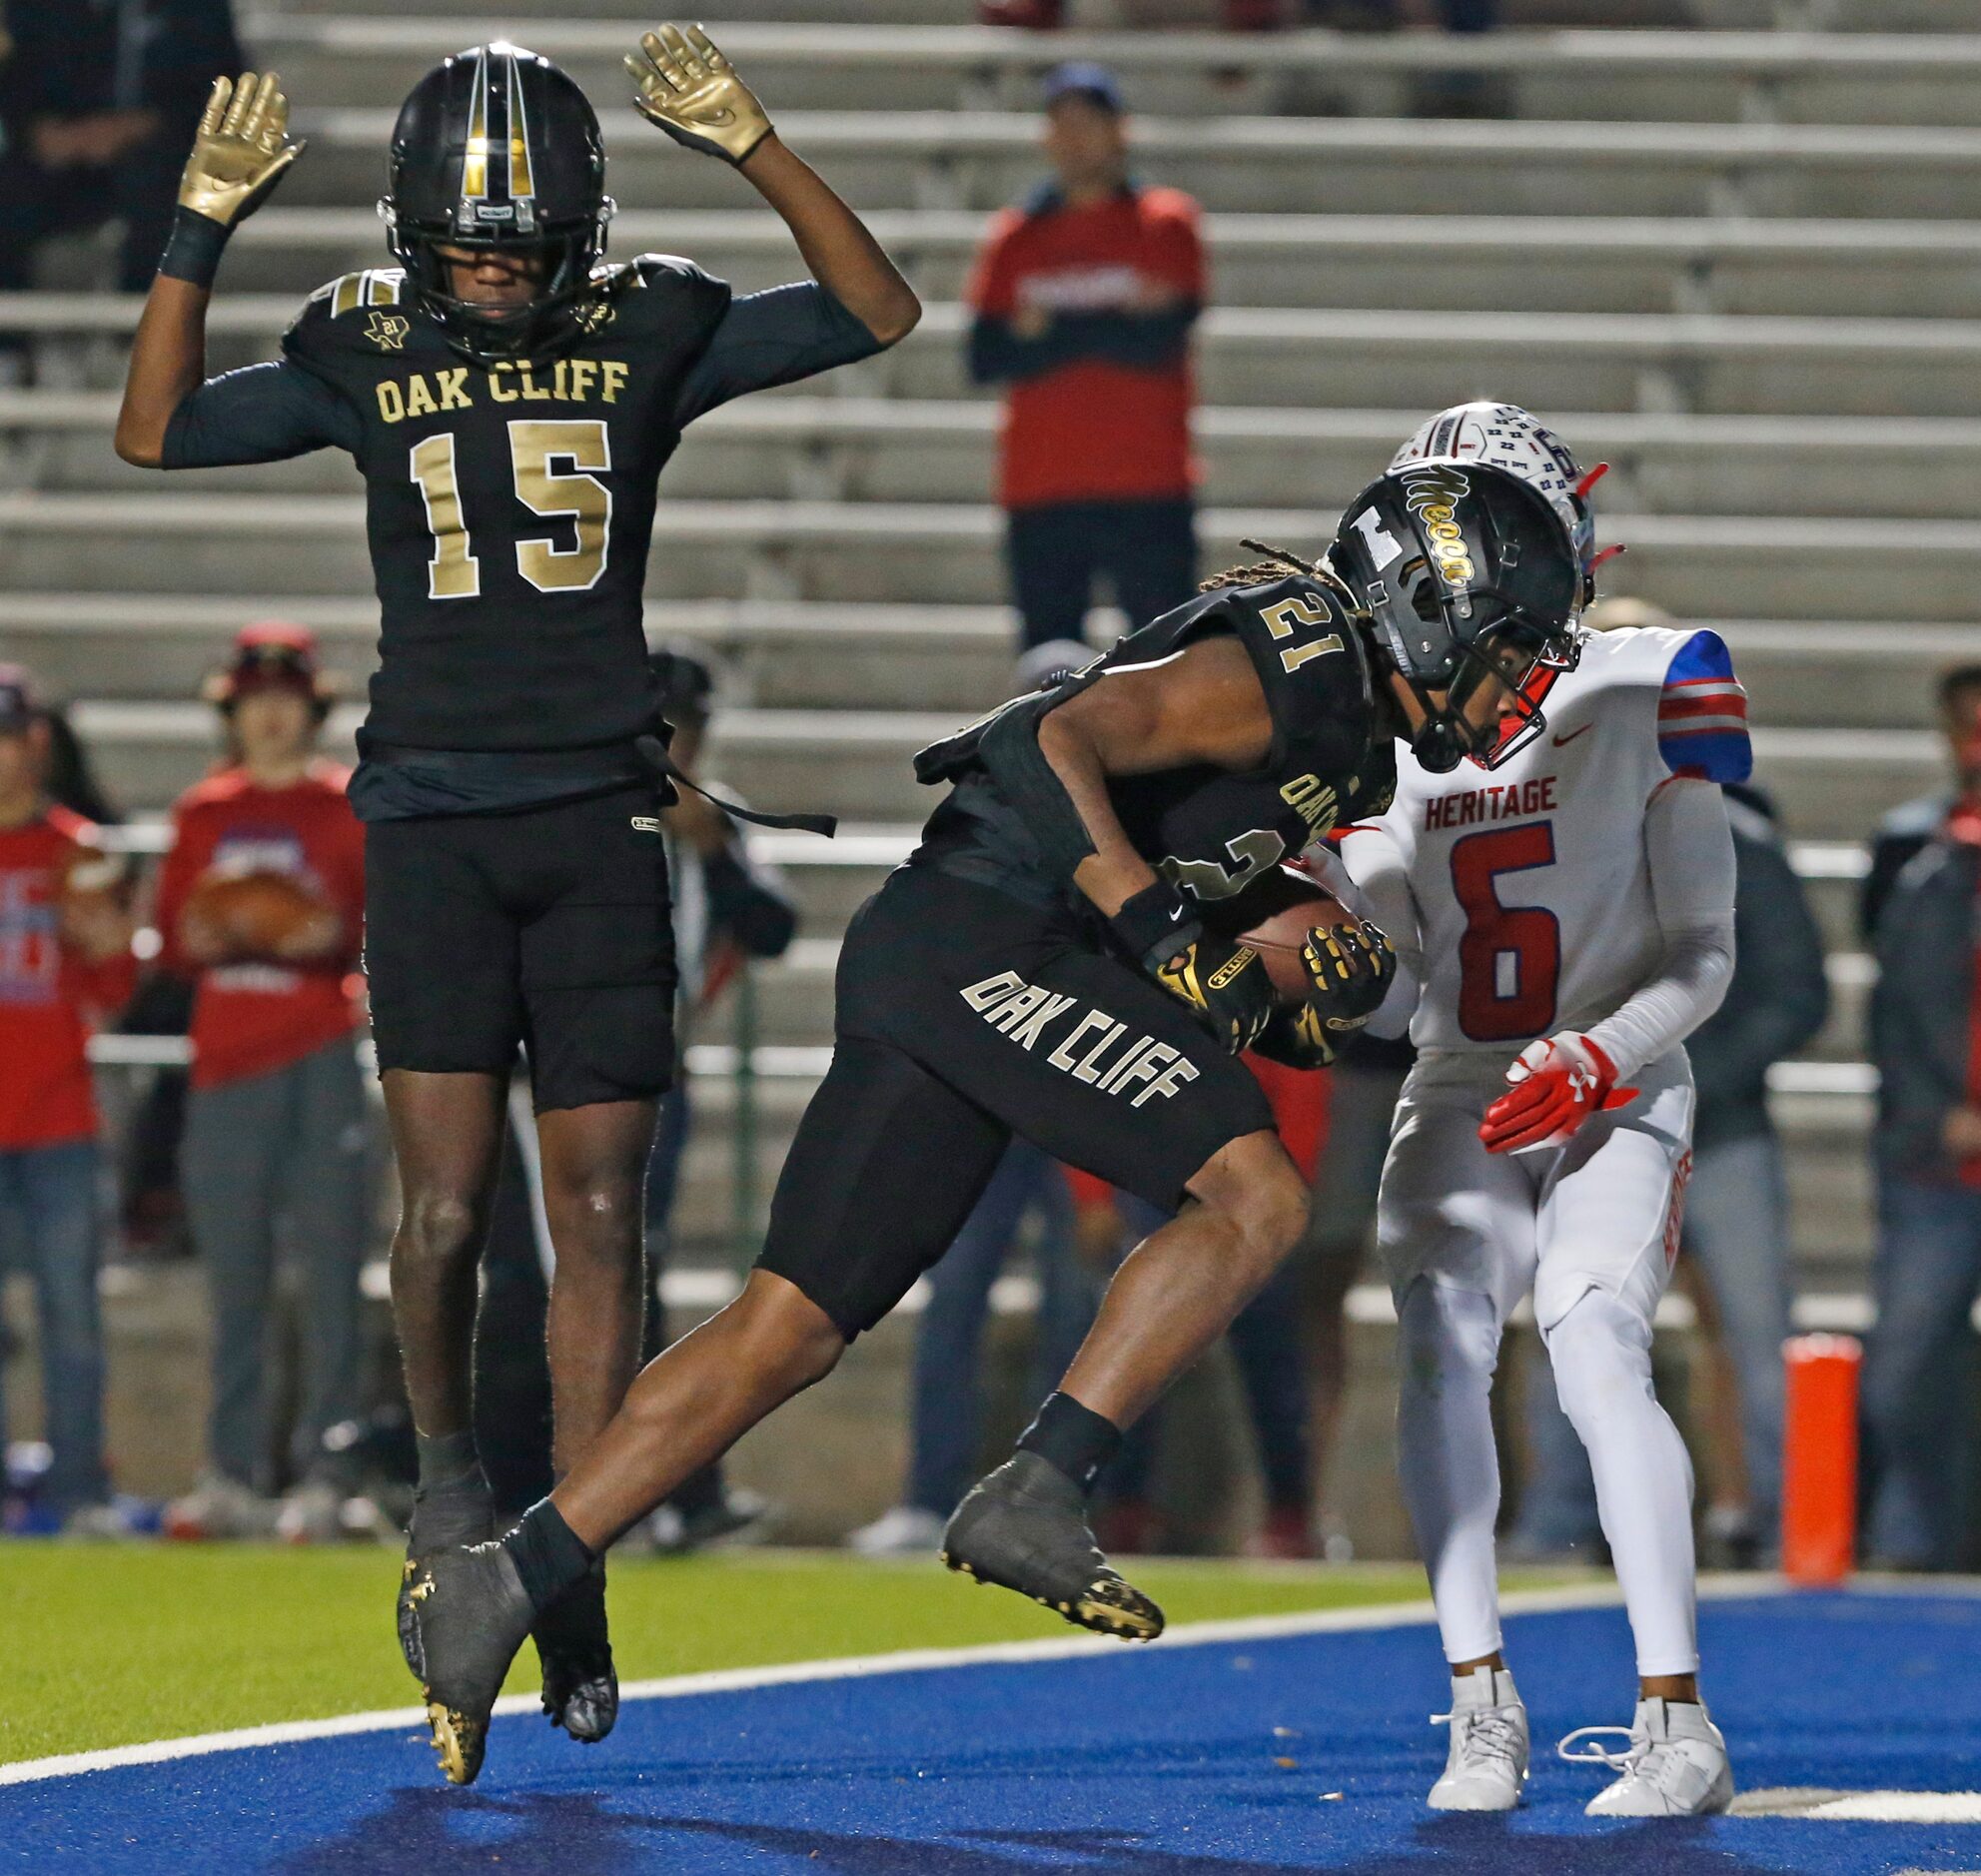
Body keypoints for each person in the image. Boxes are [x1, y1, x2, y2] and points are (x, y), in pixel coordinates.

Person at [113, 30, 919, 1764]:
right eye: (467, 237)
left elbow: (875, 308)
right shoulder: (355, 337)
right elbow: (153, 427)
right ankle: (447, 1489)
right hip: (429, 822)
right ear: (413, 226)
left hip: (593, 824)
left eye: (521, 235)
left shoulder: (643, 320)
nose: (491, 264)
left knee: (604, 1218)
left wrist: (755, 143)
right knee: (443, 1213)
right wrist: (198, 224)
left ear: (579, 224)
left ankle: (572, 1550)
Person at [403, 492, 1435, 1784]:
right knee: (1253, 1198)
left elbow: (1204, 895)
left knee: (787, 1325)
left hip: (941, 947)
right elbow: (1047, 733)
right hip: (986, 935)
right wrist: (1173, 940)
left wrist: (1290, 971)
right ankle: (1039, 1483)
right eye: (1503, 637)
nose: (1509, 672)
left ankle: (504, 1580)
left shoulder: (1340, 741)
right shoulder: (1299, 659)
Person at [1337, 417, 1745, 1818]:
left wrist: (1597, 1050)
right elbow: (1391, 1003)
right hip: (1463, 1075)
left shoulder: (1647, 686)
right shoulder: (1385, 740)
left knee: (1586, 1324)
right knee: (1442, 1343)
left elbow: (1703, 953)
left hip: (1617, 1075)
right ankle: (1475, 1703)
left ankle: (1673, 1716)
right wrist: (1329, 917)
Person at [1509, 769, 1827, 1569]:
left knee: (1756, 1338)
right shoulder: (1554, 848)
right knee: (1574, 1320)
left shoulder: (1739, 847)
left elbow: (1795, 993)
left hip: (1713, 1131)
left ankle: (1790, 1525)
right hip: (1604, 1130)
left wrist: (1687, 1078)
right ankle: (1562, 1524)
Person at [152, 624, 370, 1544]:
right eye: (254, 699)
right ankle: (231, 1469)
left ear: (312, 708)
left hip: (319, 1055)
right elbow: (167, 943)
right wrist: (210, 933)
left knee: (329, 1274)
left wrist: (331, 951)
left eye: (287, 697)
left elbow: (380, 931)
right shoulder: (202, 812)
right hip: (227, 1061)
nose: (271, 713)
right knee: (234, 1280)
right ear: (232, 711)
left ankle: (329, 1470)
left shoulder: (347, 806)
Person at [965, 63, 1205, 651]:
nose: (1075, 139)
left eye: (1088, 123)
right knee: (1047, 670)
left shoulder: (1166, 224)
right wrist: (1114, 320)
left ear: (1120, 129)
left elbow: (1158, 342)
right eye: (1061, 124)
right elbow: (984, 356)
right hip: (1043, 483)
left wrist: (1048, 335)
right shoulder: (1015, 236)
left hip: (1147, 480)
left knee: (1165, 660)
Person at [0, 665, 136, 1533]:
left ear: (35, 745)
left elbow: (116, 984)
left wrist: (108, 939)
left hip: (57, 1117)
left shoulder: (79, 848)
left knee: (73, 1319)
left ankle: (80, 1492)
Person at [1860, 669, 1981, 1570]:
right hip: (1932, 1155)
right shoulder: (1913, 846)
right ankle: (1911, 1541)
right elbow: (1894, 1005)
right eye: (1963, 729)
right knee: (1904, 1367)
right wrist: (1933, 1110)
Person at [0, 0, 242, 375]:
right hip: (56, 154)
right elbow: (16, 79)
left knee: (165, 190)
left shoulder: (196, 9)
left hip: (158, 154)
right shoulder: (32, 7)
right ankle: (10, 354)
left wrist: (140, 127)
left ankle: (133, 347)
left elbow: (223, 83)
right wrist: (40, 132)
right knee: (10, 192)